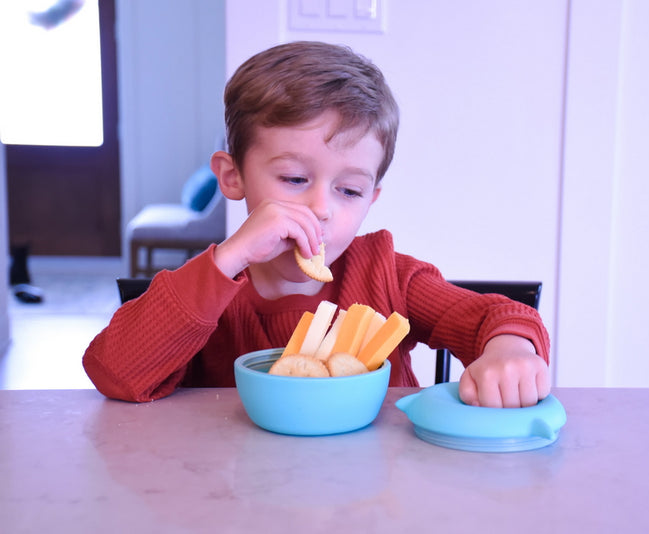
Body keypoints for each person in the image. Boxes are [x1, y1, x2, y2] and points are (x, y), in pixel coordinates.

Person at [83, 41, 551, 407]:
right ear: (233, 176)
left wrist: (511, 350)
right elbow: (115, 372)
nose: (321, 207)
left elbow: (497, 316)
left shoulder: (388, 276)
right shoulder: (205, 291)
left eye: (349, 191)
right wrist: (228, 260)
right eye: (293, 178)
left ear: (372, 199)